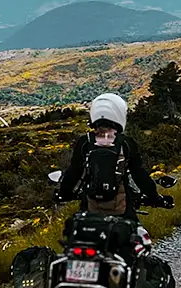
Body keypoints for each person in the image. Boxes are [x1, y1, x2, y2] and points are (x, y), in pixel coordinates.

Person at [57, 92, 173, 220]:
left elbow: (73, 172)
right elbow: (139, 174)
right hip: (123, 208)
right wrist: (154, 197)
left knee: (79, 235)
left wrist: (63, 193)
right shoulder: (126, 143)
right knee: (138, 236)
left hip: (90, 208)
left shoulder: (85, 142)